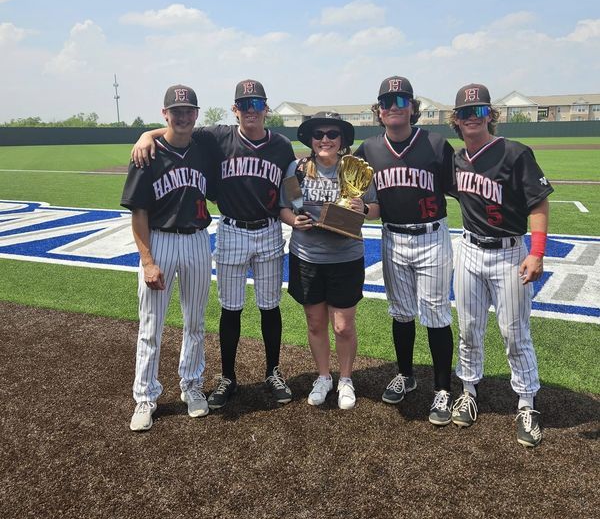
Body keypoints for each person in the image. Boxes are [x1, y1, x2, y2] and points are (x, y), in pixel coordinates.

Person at [131, 79, 296, 410]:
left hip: (268, 231)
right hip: (232, 229)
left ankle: (272, 372)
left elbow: (291, 192)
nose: (250, 110)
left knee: (269, 306)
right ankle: (227, 377)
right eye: (244, 104)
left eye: (256, 104)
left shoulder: (280, 145)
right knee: (229, 309)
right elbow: (176, 129)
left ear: (266, 108)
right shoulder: (217, 137)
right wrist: (145, 135)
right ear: (235, 110)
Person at [449, 83, 553, 448]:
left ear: (490, 115)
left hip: (510, 252)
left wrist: (536, 252)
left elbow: (538, 204)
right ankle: (468, 390)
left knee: (514, 331)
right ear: (456, 120)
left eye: (478, 111)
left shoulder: (515, 153)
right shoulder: (457, 159)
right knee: (468, 327)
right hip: (468, 250)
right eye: (465, 113)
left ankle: (526, 402)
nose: (472, 118)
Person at [354, 76, 456, 426]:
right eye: (386, 101)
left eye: (401, 100)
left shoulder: (437, 144)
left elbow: (462, 188)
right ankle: (406, 374)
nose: (393, 106)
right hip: (392, 236)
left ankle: (442, 388)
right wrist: (356, 209)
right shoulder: (368, 150)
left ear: (413, 108)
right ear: (378, 111)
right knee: (400, 312)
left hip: (431, 236)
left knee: (437, 314)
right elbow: (364, 201)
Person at [121, 85, 218, 432]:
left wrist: (146, 131)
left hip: (196, 241)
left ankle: (191, 387)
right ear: (165, 114)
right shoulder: (146, 154)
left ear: (196, 113)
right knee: (151, 326)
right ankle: (145, 398)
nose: (183, 116)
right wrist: (147, 261)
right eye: (176, 111)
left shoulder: (205, 145)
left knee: (195, 322)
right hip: (160, 241)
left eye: (189, 110)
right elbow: (138, 214)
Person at [279, 112, 378, 409]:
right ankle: (324, 376)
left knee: (343, 327)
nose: (325, 139)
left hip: (346, 257)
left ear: (342, 140)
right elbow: (284, 208)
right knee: (315, 322)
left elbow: (375, 210)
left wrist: (362, 208)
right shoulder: (297, 168)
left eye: (332, 134)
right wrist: (294, 222)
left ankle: (345, 378)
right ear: (310, 140)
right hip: (307, 257)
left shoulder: (356, 170)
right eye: (319, 134)